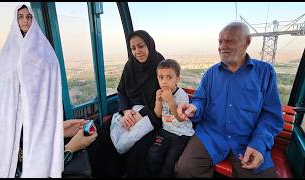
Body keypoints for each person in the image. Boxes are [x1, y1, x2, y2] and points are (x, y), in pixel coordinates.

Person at [175, 21, 283, 178]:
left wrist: (259, 144)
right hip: (211, 135)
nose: (222, 46)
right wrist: (194, 108)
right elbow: (200, 99)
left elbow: (271, 116)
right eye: (220, 41)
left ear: (247, 42)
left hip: (247, 139)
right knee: (185, 169)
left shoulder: (264, 72)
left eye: (229, 41)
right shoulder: (211, 74)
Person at [0, 4, 63, 178]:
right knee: (13, 147)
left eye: (29, 16)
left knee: (36, 149)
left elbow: (52, 73)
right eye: (21, 16)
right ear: (16, 20)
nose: (25, 20)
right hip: (12, 109)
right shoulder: (8, 50)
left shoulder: (44, 48)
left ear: (33, 20)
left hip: (37, 110)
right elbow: (3, 81)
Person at [91, 30, 165, 177]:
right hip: (129, 113)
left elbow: (162, 101)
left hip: (153, 117)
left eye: (141, 46)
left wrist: (139, 115)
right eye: (133, 48)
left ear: (149, 45)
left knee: (140, 150)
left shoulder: (161, 66)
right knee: (103, 134)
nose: (137, 51)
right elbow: (122, 91)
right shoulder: (130, 66)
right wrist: (125, 111)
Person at [146, 59, 195, 177]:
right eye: (161, 77)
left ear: (177, 79)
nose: (164, 81)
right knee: (152, 156)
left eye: (169, 77)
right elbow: (157, 114)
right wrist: (158, 100)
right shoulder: (160, 93)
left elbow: (180, 118)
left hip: (181, 134)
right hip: (166, 131)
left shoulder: (181, 95)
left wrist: (170, 101)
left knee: (170, 162)